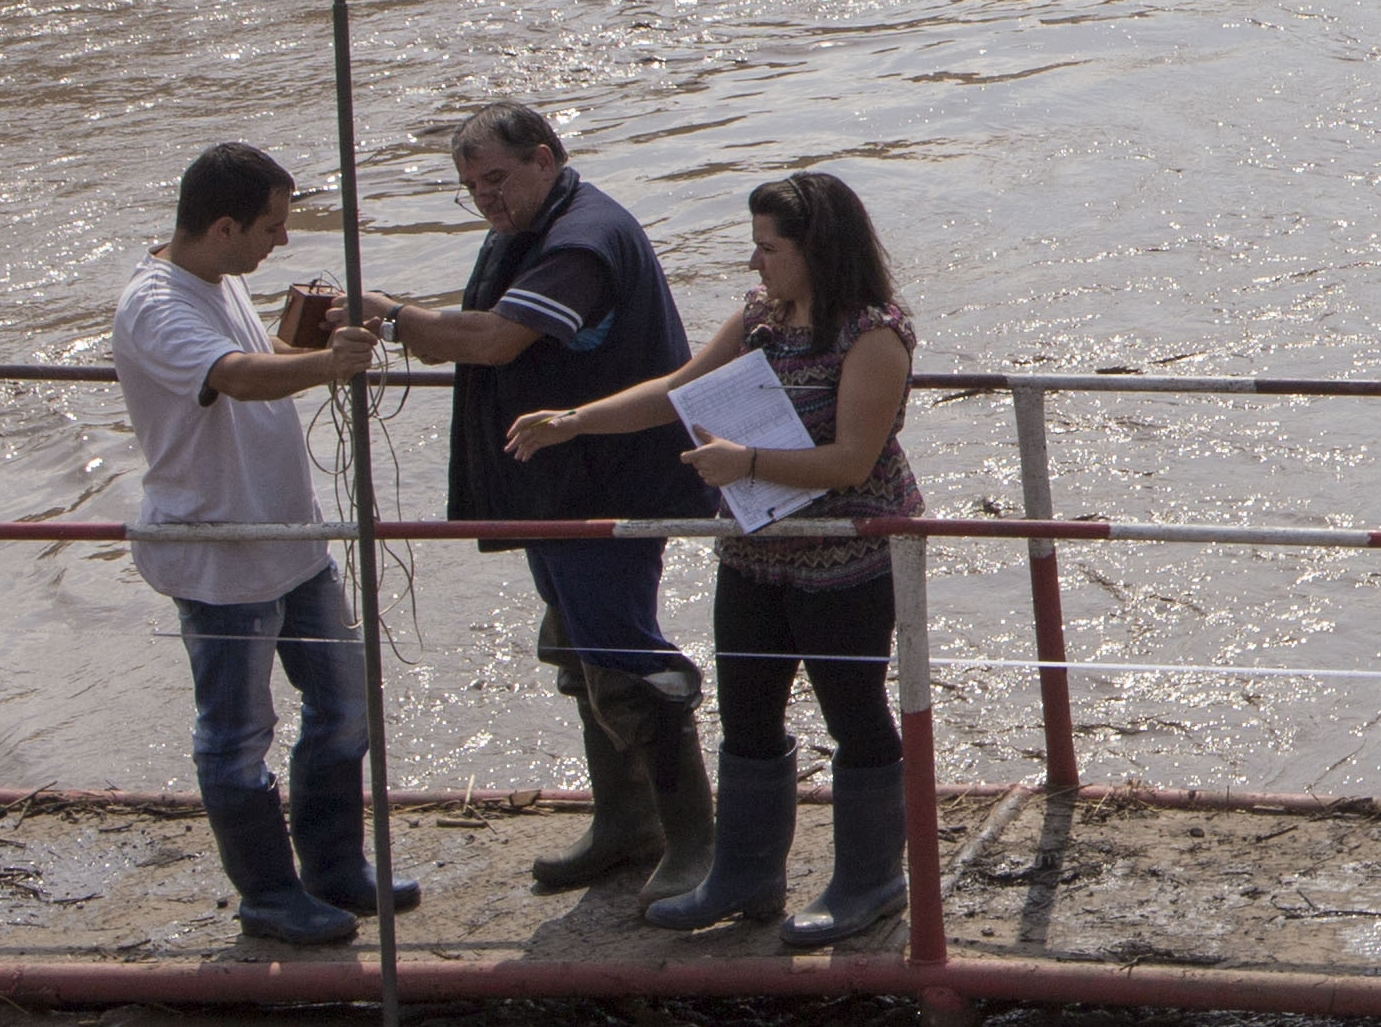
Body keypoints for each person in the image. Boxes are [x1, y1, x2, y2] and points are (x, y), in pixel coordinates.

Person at [514, 168, 925, 950]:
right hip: (757, 549)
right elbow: (677, 389)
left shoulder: (873, 333)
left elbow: (850, 460)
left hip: (847, 553)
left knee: (854, 714)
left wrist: (746, 463)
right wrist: (575, 421)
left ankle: (871, 881)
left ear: (818, 250)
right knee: (746, 711)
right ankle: (745, 874)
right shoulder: (762, 317)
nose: (755, 264)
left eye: (768, 248)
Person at [369, 102, 707, 904]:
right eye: (471, 187)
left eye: (497, 179)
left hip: (609, 483)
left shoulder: (582, 240)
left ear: (546, 160)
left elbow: (493, 340)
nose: (487, 197)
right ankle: (628, 824)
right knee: (575, 647)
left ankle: (696, 839)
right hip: (554, 485)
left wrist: (388, 318)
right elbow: (479, 327)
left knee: (625, 659)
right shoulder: (528, 226)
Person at [109, 141, 416, 946]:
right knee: (237, 736)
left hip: (290, 538)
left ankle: (334, 868)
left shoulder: (218, 278)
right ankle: (269, 896)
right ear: (221, 227)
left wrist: (310, 343)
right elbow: (233, 375)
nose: (281, 241)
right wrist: (325, 364)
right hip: (222, 549)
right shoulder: (157, 304)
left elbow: (258, 356)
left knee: (347, 706)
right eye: (271, 228)